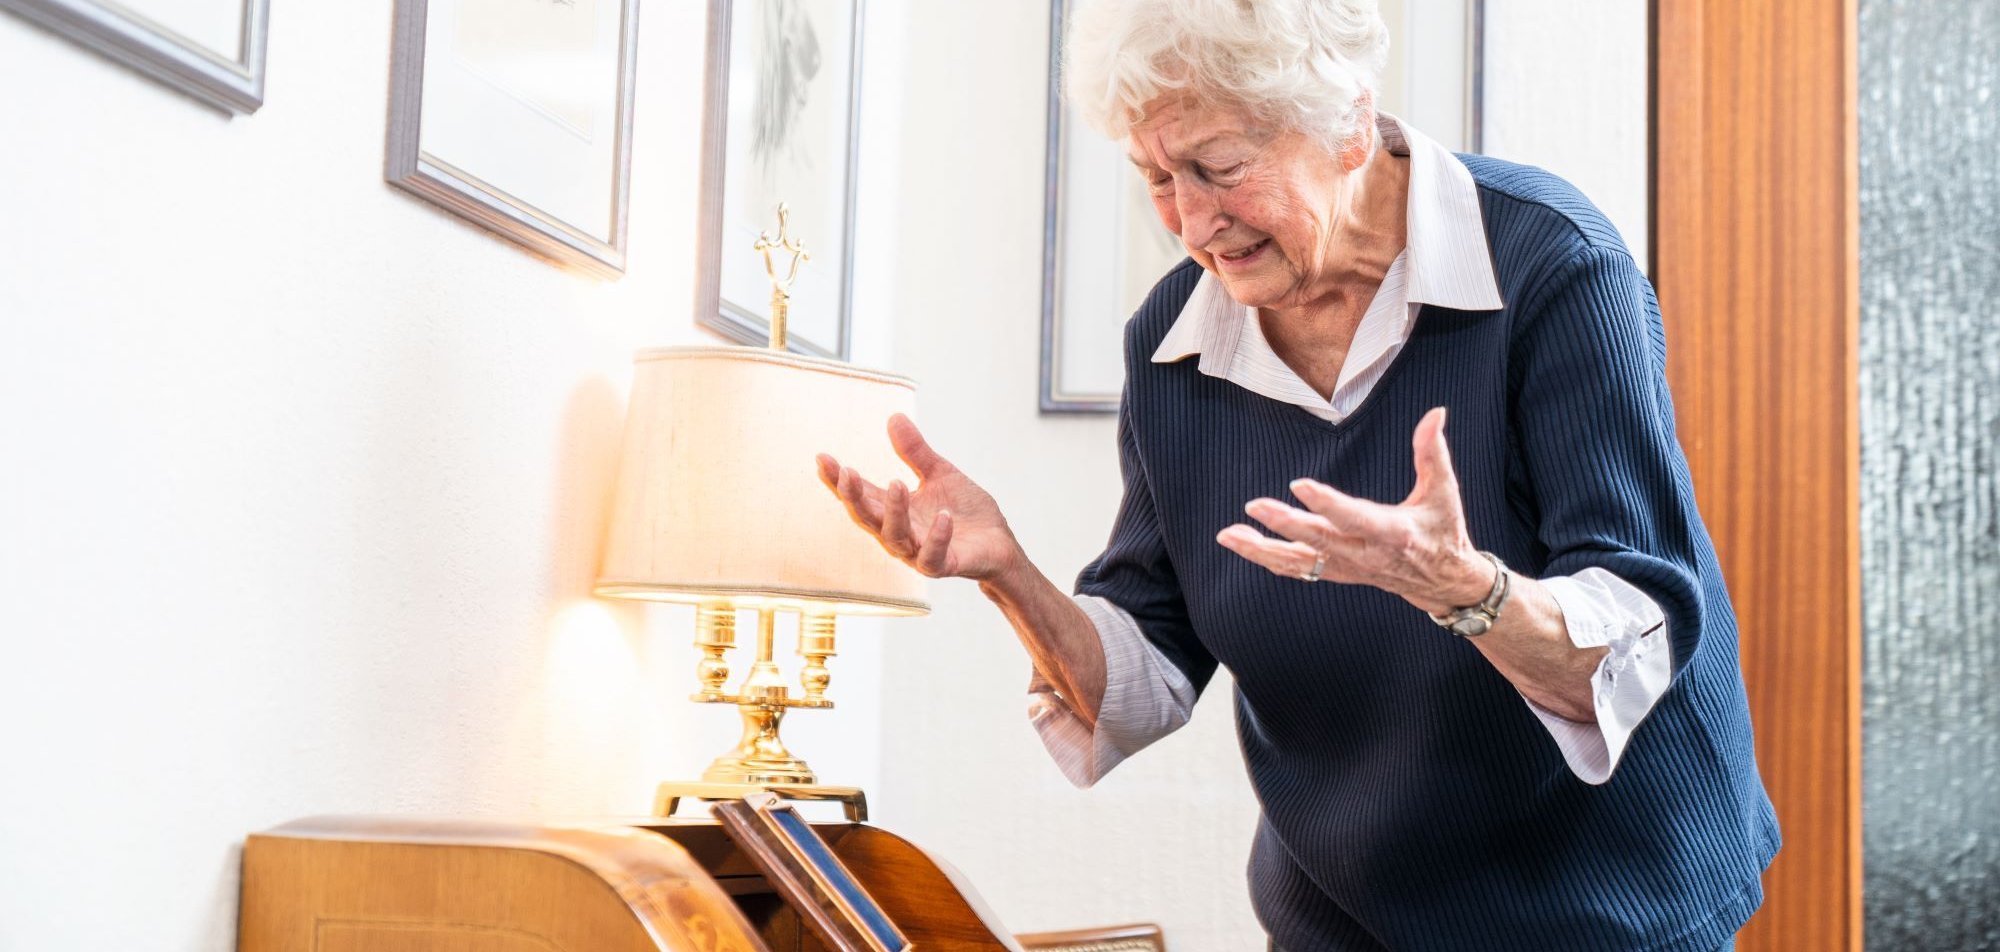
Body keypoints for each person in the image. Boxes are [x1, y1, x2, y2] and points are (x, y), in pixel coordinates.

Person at [817, 1, 1778, 948]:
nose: (1193, 221)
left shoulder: (1548, 265)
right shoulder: (1174, 345)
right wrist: (1007, 573)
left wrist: (1457, 587)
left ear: (1351, 124)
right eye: (1156, 178)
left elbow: (1632, 644)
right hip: (1346, 918)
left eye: (1221, 169)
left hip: (1603, 910)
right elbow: (1148, 672)